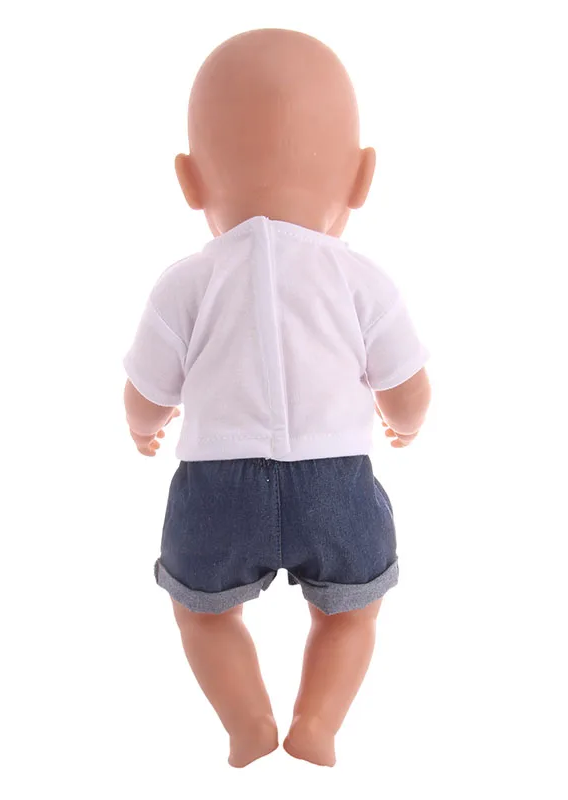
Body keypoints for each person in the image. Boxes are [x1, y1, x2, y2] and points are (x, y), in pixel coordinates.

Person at [123, 28, 431, 768]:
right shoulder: (361, 280)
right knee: (352, 612)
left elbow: (145, 391)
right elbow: (409, 389)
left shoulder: (186, 283)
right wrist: (403, 423)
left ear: (190, 182)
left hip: (215, 488)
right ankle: (317, 723)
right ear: (361, 179)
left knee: (202, 613)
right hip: (337, 481)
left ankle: (247, 723)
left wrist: (144, 427)